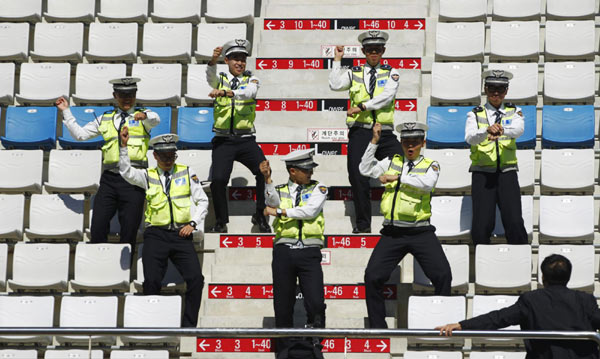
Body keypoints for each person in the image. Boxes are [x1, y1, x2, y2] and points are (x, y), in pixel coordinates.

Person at [360, 122, 452, 329]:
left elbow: (426, 183)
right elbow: (364, 169)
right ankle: (377, 328)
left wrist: (399, 178)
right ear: (401, 143)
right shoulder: (392, 161)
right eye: (407, 142)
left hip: (420, 231)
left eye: (415, 143)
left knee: (443, 274)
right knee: (372, 276)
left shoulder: (431, 165)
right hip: (392, 233)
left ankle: (442, 326)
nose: (411, 147)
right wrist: (374, 142)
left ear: (423, 143)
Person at [55, 78, 160, 247]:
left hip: (134, 178)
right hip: (110, 178)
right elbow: (80, 135)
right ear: (115, 95)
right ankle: (99, 264)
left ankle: (124, 272)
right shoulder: (105, 118)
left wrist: (145, 115)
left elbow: (155, 119)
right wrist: (66, 111)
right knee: (97, 226)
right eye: (123, 95)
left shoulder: (143, 116)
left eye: (131, 95)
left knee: (129, 230)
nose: (127, 99)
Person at [118, 131, 208, 328]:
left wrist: (192, 223)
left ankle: (188, 326)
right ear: (155, 156)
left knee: (196, 279)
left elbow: (202, 200)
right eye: (164, 156)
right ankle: (153, 325)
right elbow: (126, 172)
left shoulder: (186, 171)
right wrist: (124, 148)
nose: (168, 160)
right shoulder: (147, 175)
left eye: (172, 155)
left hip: (181, 234)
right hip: (155, 235)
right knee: (151, 280)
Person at [436, 254, 600, 359]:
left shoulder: (531, 300)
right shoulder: (586, 300)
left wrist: (461, 325)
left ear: (543, 277)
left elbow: (498, 319)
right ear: (568, 276)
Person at [329, 30, 403, 234]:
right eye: (369, 49)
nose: (373, 53)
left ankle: (398, 219)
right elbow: (335, 85)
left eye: (377, 50)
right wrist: (337, 61)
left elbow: (387, 97)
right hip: (361, 131)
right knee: (357, 175)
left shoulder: (392, 72)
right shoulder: (354, 72)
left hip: (385, 132)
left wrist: (362, 107)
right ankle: (363, 225)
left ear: (383, 50)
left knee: (402, 166)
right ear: (363, 51)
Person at [260, 149, 327, 359]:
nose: (310, 173)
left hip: (309, 250)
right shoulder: (279, 189)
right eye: (306, 170)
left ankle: (315, 341)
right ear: (292, 171)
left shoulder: (319, 188)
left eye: (310, 169)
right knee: (282, 303)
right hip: (283, 251)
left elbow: (309, 211)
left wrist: (280, 212)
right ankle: (284, 347)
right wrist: (268, 179)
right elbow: (270, 203)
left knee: (315, 301)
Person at [206, 39, 270, 233]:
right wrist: (212, 61)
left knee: (263, 171)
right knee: (218, 180)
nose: (240, 63)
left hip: (246, 140)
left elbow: (249, 93)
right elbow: (210, 79)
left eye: (242, 59)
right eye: (235, 59)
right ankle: (220, 221)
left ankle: (260, 214)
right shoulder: (221, 77)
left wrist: (226, 93)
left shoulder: (252, 79)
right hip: (223, 140)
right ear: (227, 60)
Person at [466, 69, 528, 245]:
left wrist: (501, 130)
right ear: (485, 89)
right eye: (492, 88)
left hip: (507, 172)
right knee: (481, 224)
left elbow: (519, 130)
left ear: (506, 91)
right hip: (482, 173)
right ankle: (482, 260)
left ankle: (519, 258)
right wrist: (486, 131)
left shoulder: (514, 111)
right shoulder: (474, 114)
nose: (496, 93)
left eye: (500, 89)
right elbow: (470, 137)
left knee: (514, 221)